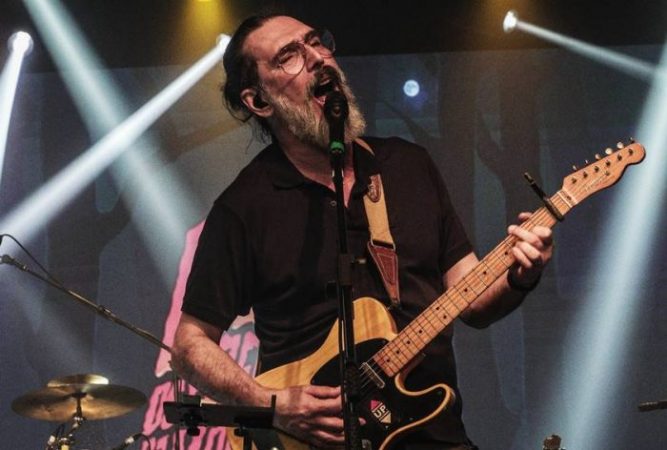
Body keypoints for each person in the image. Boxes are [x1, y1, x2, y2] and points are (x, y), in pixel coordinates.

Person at [172, 13, 553, 450]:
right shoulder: (244, 207)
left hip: (433, 433)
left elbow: (471, 299)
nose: (317, 58)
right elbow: (189, 345)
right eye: (289, 56)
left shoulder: (407, 166)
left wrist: (520, 276)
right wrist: (271, 404)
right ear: (259, 101)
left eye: (316, 42)